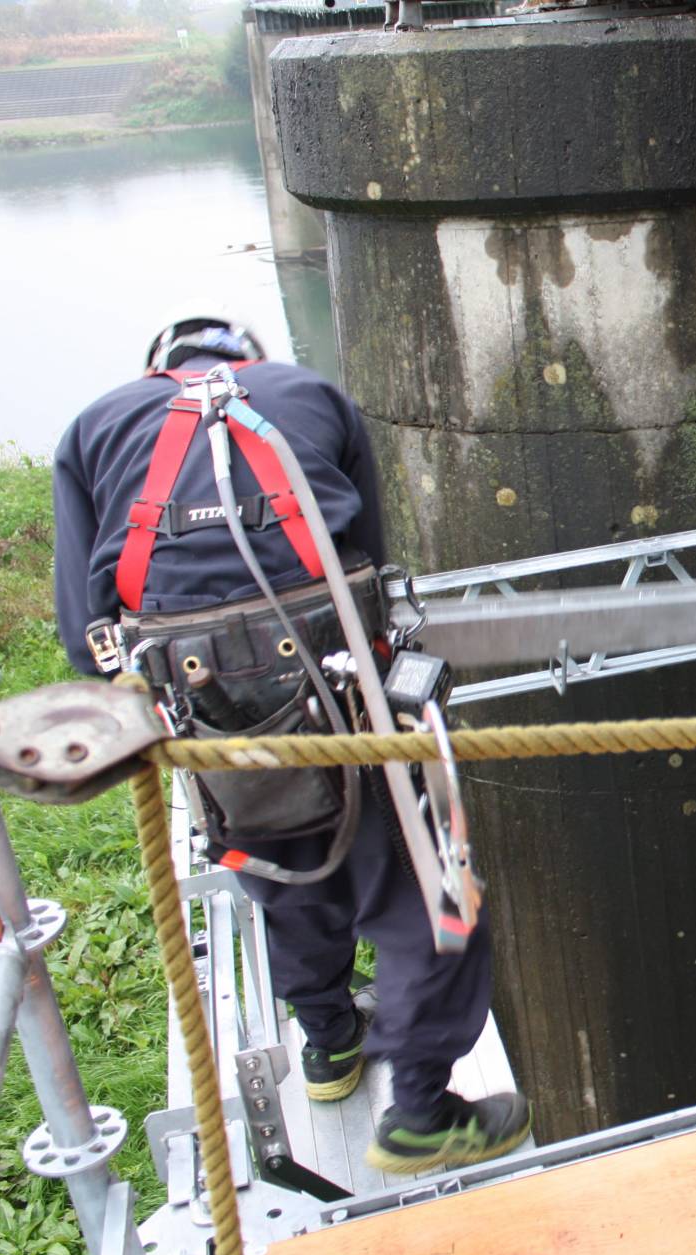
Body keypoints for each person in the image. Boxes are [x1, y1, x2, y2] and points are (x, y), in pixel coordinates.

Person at [52, 316, 532, 1173]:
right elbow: (372, 571)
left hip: (199, 706)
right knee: (424, 890)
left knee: (278, 863)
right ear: (252, 359)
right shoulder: (310, 394)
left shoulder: (93, 426)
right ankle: (421, 1112)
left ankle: (329, 1046)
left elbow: (82, 626)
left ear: (154, 371)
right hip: (333, 683)